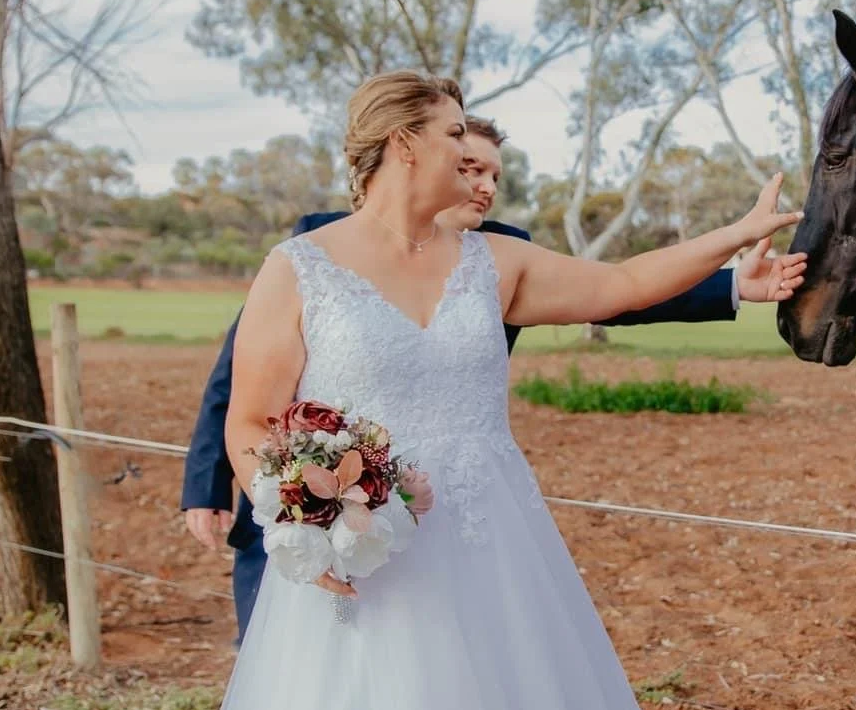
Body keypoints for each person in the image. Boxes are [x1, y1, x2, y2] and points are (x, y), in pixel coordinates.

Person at [44, 70, 804, 710]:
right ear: (403, 140)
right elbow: (252, 422)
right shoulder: (299, 266)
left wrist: (728, 237)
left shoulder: (496, 264)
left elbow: (620, 284)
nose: (474, 155)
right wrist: (302, 519)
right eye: (455, 133)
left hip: (491, 550)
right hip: (358, 560)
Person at [181, 115, 793, 643]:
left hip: (476, 522)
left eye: (495, 174)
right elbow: (241, 391)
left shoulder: (499, 257)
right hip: (326, 515)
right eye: (468, 162)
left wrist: (734, 272)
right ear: (411, 151)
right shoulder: (315, 252)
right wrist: (238, 493)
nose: (485, 185)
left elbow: (619, 289)